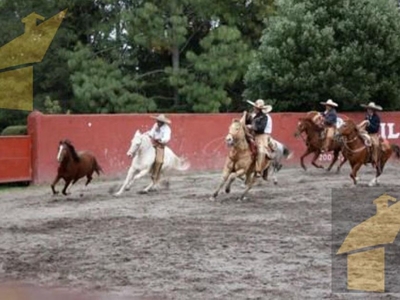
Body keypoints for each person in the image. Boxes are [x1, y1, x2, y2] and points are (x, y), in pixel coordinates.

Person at [243, 99, 276, 178]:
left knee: (261, 151)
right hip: (253, 134)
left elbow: (261, 128)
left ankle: (258, 170)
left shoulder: (265, 117)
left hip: (262, 136)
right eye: (254, 107)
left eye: (255, 107)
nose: (254, 108)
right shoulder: (254, 115)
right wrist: (245, 116)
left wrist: (252, 127)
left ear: (259, 109)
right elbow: (247, 122)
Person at [147, 114, 172, 183]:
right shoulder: (155, 125)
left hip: (160, 144)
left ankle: (155, 173)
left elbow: (167, 138)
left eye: (160, 121)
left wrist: (161, 140)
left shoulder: (167, 129)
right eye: (157, 121)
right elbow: (152, 132)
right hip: (153, 142)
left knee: (159, 160)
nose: (158, 122)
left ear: (163, 122)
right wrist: (150, 135)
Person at [358, 102, 382, 169]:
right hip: (366, 133)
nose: (368, 110)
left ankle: (375, 159)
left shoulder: (376, 118)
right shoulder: (367, 117)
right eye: (368, 109)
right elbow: (364, 125)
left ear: (373, 110)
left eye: (370, 109)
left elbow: (376, 129)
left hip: (373, 134)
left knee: (375, 144)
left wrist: (369, 125)